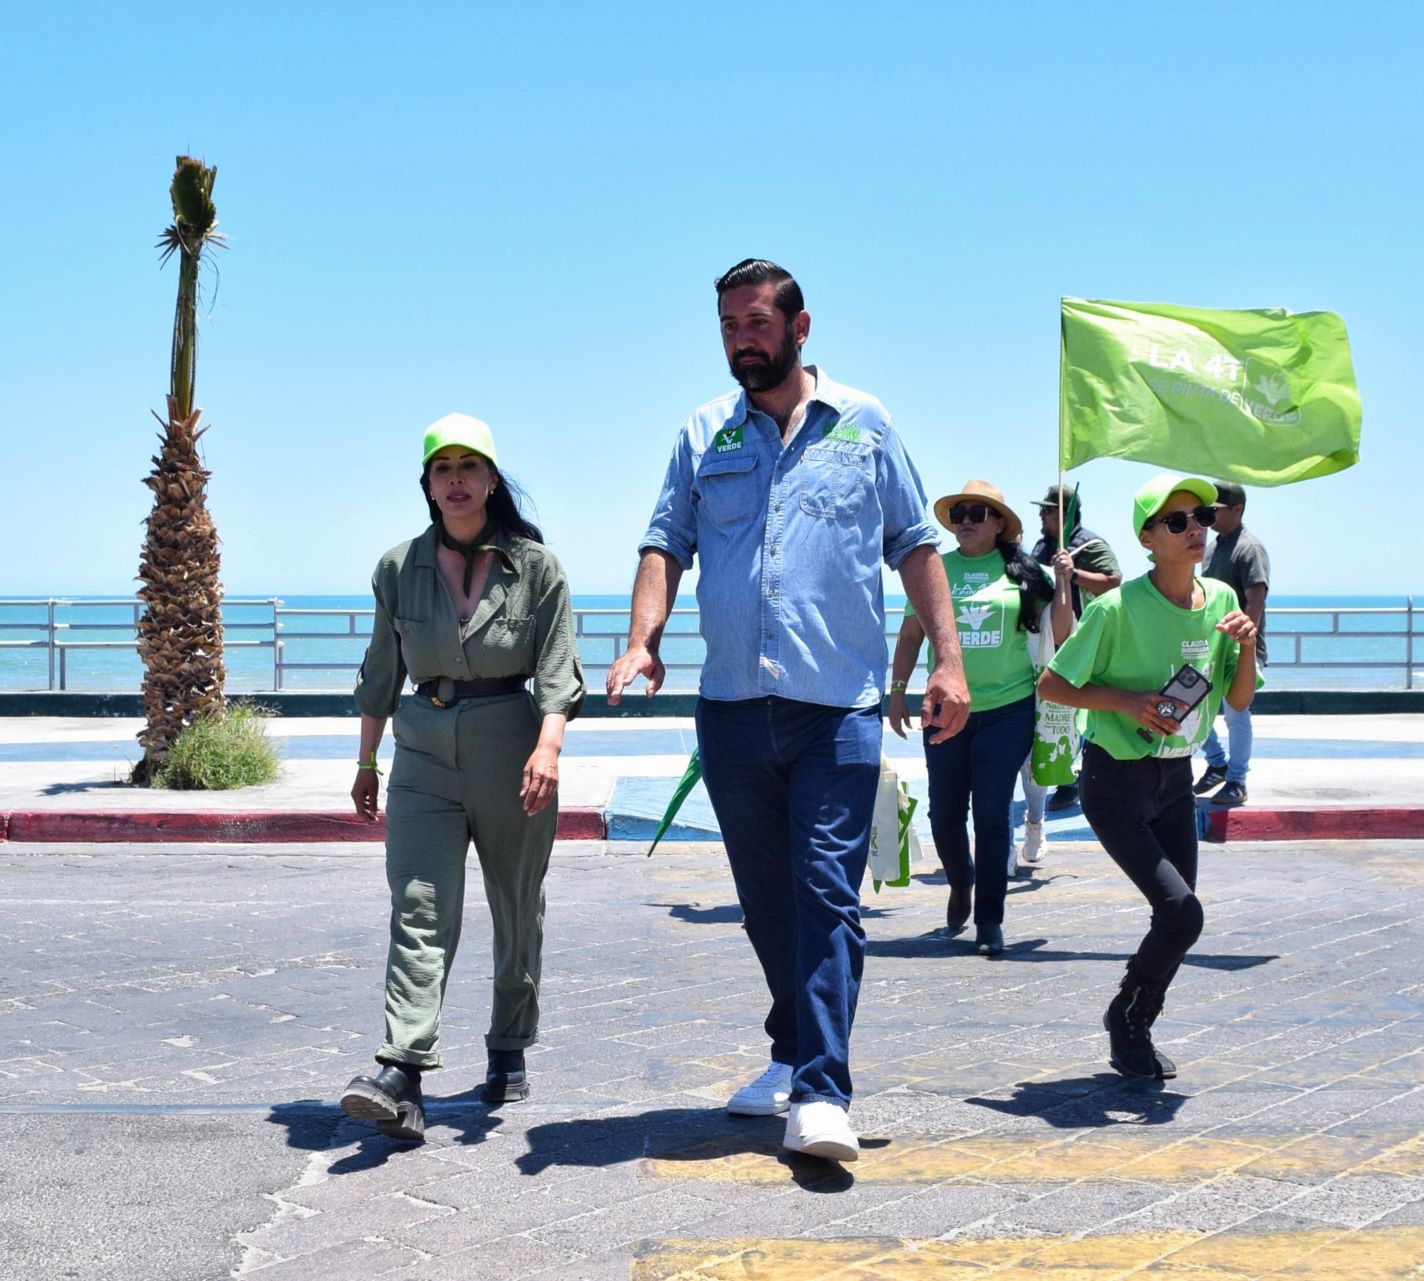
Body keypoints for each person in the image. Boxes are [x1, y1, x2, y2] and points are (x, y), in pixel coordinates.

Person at [609, 259, 966, 1164]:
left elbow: (916, 545)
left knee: (824, 893)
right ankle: (791, 1047)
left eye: (757, 321)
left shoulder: (865, 424)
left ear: (800, 328)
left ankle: (822, 1089)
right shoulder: (704, 431)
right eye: (729, 324)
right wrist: (642, 638)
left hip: (835, 707)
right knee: (767, 904)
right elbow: (665, 544)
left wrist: (948, 662)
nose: (741, 338)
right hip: (730, 707)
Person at [340, 414, 585, 1143]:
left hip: (514, 747)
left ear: (490, 480)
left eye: (468, 466)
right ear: (427, 483)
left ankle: (508, 1044)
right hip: (422, 752)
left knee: (516, 906)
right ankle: (402, 1071)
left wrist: (548, 748)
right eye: (441, 467)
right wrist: (365, 760)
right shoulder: (395, 568)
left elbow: (557, 668)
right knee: (418, 906)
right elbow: (380, 674)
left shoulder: (536, 566)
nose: (454, 479)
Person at [1037, 474, 1260, 1080]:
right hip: (1115, 782)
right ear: (1146, 537)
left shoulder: (1221, 602)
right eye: (1178, 521)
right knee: (1184, 914)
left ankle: (1134, 1022)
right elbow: (1054, 684)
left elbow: (1238, 701)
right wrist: (1128, 702)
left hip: (1176, 780)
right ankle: (1126, 1016)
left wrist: (1246, 646)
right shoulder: (1115, 607)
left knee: (1176, 920)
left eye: (1203, 518)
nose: (1196, 530)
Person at [888, 480, 1071, 955]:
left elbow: (1061, 631)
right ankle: (960, 882)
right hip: (943, 711)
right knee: (944, 815)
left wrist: (1066, 581)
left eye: (977, 512)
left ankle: (990, 920)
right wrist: (897, 692)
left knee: (991, 816)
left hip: (1008, 710)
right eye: (959, 513)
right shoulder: (934, 570)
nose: (965, 520)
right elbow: (910, 637)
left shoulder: (1024, 573)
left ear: (997, 523)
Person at [1030, 483, 1122, 816]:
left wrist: (1074, 573)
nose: (1041, 514)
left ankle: (1071, 780)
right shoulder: (1042, 546)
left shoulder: (1089, 544)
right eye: (1040, 509)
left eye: (1047, 509)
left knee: (1073, 710)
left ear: (1065, 514)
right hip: (1044, 640)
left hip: (1080, 640)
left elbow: (1114, 582)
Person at [1193, 481, 1270, 805]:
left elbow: (1256, 600)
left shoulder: (1248, 548)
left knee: (1237, 714)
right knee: (1190, 705)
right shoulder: (1212, 547)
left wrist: (1244, 647)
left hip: (1238, 648)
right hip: (1210, 646)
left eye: (1215, 510)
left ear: (1237, 510)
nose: (1208, 516)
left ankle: (1237, 780)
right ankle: (1217, 762)